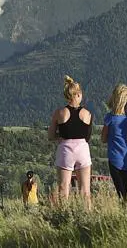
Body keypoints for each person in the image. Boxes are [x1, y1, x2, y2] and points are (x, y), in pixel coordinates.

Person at [48, 75, 93, 209]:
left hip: (66, 149)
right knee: (85, 190)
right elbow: (88, 136)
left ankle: (63, 215)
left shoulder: (59, 113)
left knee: (63, 188)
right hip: (83, 149)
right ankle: (88, 216)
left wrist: (59, 137)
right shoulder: (87, 114)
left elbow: (50, 136)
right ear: (78, 94)